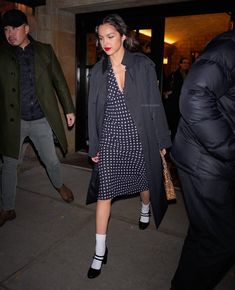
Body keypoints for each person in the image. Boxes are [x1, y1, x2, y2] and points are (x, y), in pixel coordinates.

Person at [87, 14, 171, 279]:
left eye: (110, 36)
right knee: (104, 194)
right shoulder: (98, 71)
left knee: (144, 185)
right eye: (101, 38)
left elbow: (153, 104)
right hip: (111, 139)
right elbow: (92, 111)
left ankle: (145, 207)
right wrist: (94, 146)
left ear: (123, 36)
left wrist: (161, 140)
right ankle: (100, 251)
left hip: (138, 136)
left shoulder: (141, 65)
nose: (105, 43)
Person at [170, 28, 235, 289]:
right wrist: (229, 147)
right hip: (206, 162)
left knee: (204, 232)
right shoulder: (228, 50)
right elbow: (194, 95)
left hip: (211, 159)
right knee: (223, 241)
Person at [0, 9, 76, 227]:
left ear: (26, 29)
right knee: (9, 164)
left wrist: (69, 109)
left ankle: (60, 185)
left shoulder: (44, 51)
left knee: (50, 159)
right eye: (6, 29)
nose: (10, 33)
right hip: (14, 121)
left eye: (14, 28)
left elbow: (59, 80)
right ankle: (7, 208)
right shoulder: (2, 55)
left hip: (40, 119)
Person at [163, 57, 190, 141]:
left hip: (186, 104)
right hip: (175, 104)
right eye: (184, 62)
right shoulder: (174, 75)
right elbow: (167, 88)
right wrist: (167, 93)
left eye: (187, 63)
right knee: (174, 126)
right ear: (180, 64)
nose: (186, 64)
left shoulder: (191, 75)